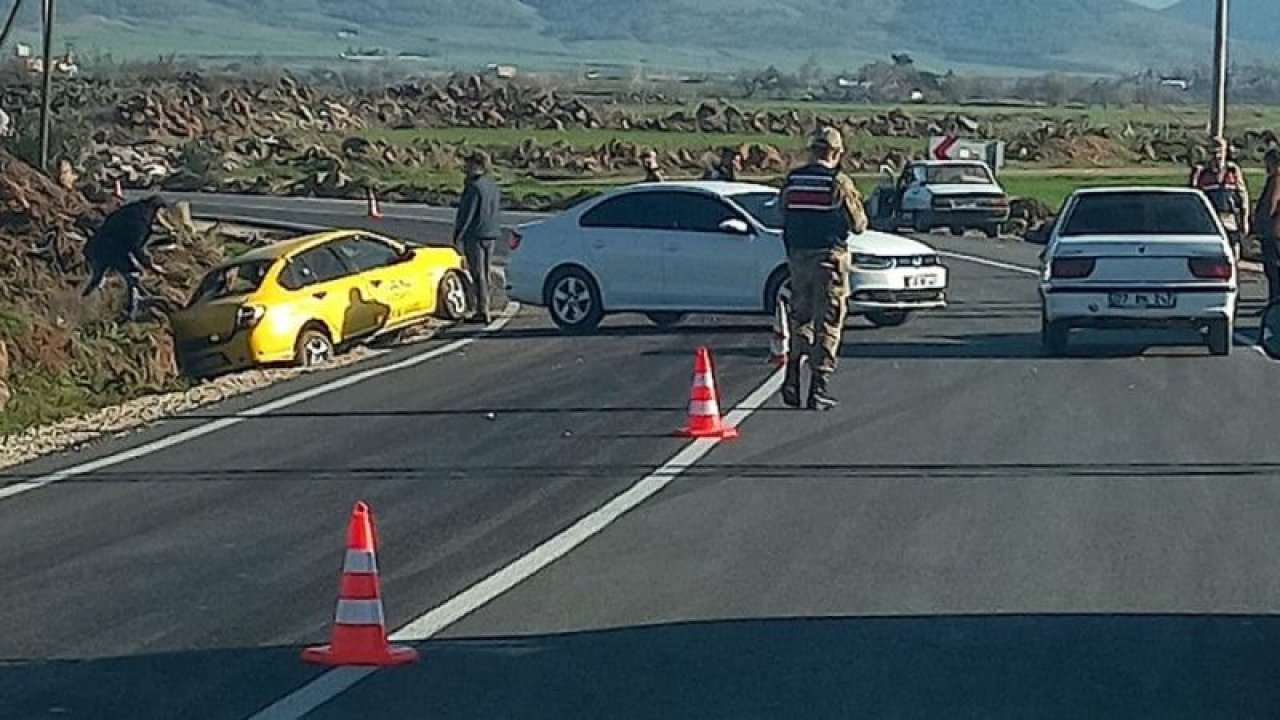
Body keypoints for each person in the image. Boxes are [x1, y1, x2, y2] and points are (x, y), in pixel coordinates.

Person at [779, 127, 868, 410]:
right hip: (829, 259)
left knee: (799, 317)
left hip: (797, 258)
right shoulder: (838, 182)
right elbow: (858, 224)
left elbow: (783, 213)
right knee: (828, 322)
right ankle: (818, 388)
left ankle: (791, 375)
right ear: (837, 152)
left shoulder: (793, 180)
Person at [82, 195, 167, 320]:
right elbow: (135, 246)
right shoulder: (141, 221)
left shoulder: (135, 209)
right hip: (109, 249)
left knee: (97, 278)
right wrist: (149, 265)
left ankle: (82, 302)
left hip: (100, 244)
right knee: (133, 275)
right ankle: (131, 313)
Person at [452, 151, 502, 324]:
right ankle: (485, 305)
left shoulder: (473, 187)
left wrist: (458, 235)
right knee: (486, 272)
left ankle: (482, 309)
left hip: (476, 235)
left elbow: (467, 214)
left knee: (478, 272)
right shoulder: (492, 185)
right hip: (491, 233)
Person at [1191, 137, 1250, 257]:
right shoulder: (1202, 173)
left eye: (1220, 153)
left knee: (1234, 252)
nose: (1216, 157)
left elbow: (1243, 196)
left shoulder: (1232, 171)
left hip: (1229, 218)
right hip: (1210, 219)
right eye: (1213, 153)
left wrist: (1245, 220)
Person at [1254, 149, 1280, 304]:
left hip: (1273, 231)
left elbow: (1270, 203)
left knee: (1273, 269)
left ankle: (1275, 301)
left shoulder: (1276, 180)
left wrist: (1259, 224)